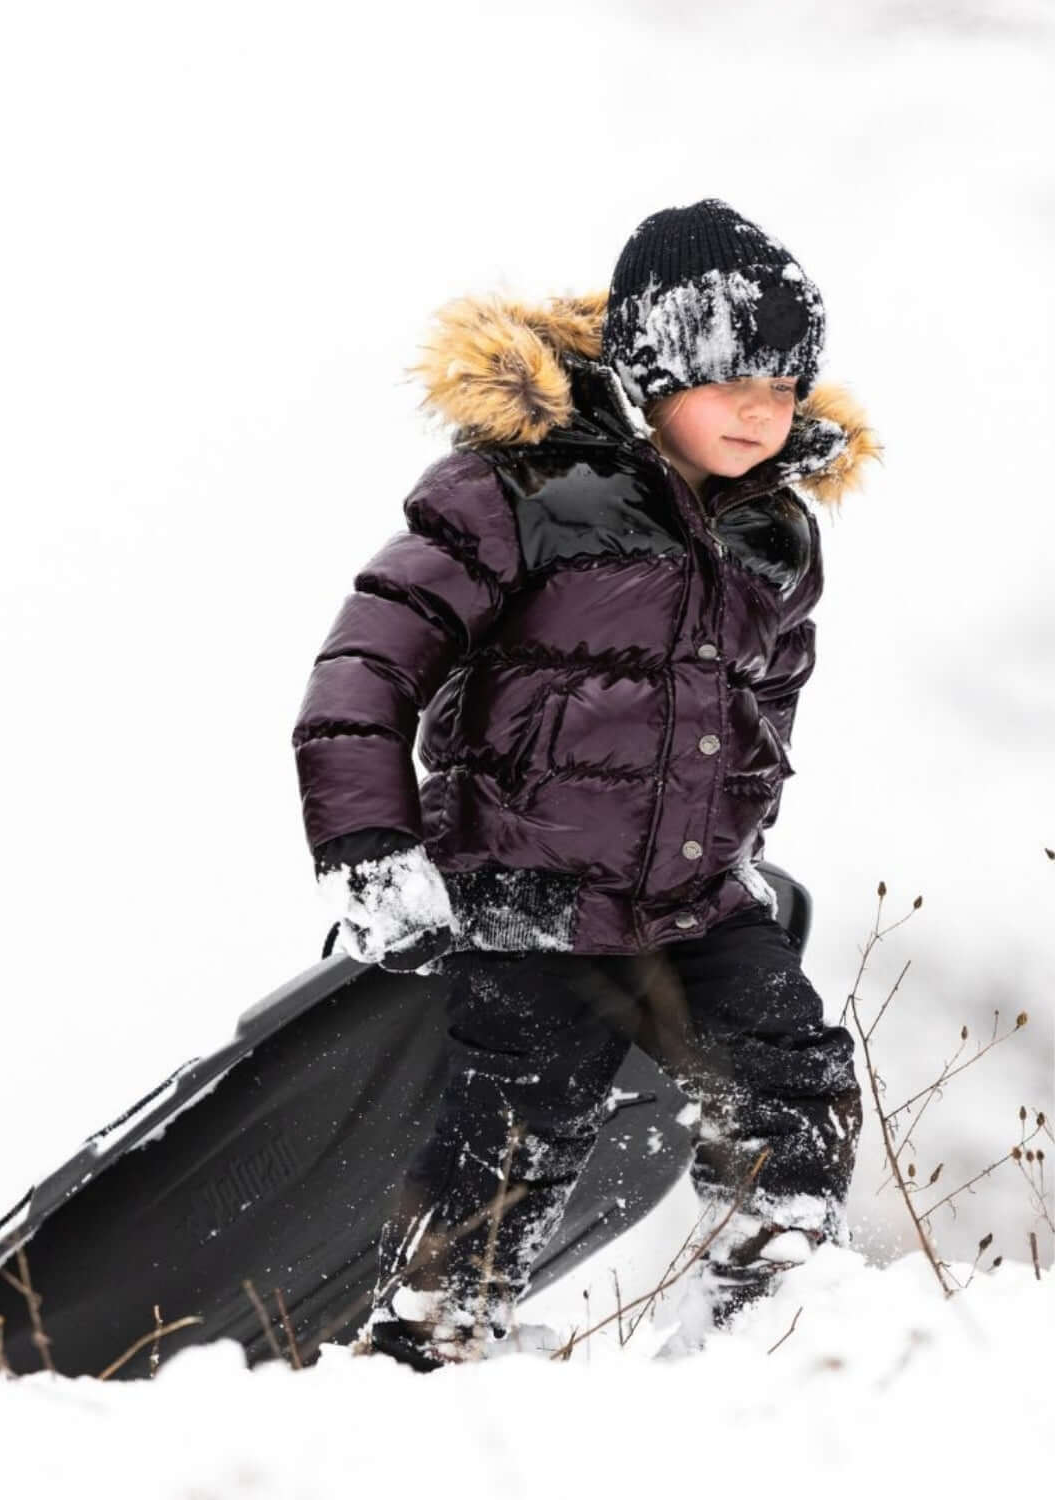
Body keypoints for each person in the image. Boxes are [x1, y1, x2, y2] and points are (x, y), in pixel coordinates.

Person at [291, 198, 882, 1370]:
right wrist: (371, 851)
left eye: (784, 389)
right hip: (530, 903)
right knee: (510, 1145)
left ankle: (769, 1306)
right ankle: (431, 1342)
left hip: (696, 906)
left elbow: (766, 709)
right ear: (653, 373)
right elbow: (363, 671)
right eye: (731, 385)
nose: (763, 415)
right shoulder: (516, 495)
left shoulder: (779, 535)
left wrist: (741, 840)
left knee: (798, 1082)